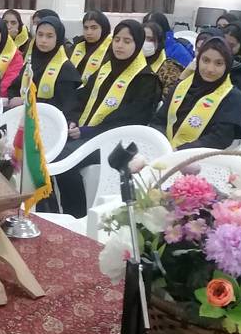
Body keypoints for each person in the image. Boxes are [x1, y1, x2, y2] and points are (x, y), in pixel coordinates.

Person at [47, 20, 161, 217]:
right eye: (117, 39)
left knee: (62, 157)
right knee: (45, 149)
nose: (120, 45)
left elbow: (129, 119)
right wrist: (72, 119)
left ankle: (76, 215)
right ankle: (51, 211)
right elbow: (80, 97)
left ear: (138, 44)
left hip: (117, 142)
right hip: (84, 134)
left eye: (127, 41)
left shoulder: (146, 79)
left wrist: (87, 131)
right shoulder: (106, 68)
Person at [157, 36, 241, 151]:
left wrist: (179, 150)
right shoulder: (183, 86)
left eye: (218, 63)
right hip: (165, 149)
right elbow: (159, 120)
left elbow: (219, 139)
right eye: (206, 60)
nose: (210, 69)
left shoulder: (232, 97)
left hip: (200, 156)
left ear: (227, 66)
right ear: (198, 60)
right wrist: (162, 144)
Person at [6, 16, 80, 118]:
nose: (43, 40)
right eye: (40, 35)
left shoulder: (65, 68)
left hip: (47, 119)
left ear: (58, 38)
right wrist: (13, 98)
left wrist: (26, 102)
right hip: (20, 116)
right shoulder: (30, 62)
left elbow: (63, 103)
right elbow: (14, 87)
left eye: (49, 36)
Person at [142, 21, 185, 95]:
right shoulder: (130, 62)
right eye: (142, 38)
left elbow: (170, 97)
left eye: (150, 39)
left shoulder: (170, 69)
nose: (144, 43)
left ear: (159, 43)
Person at [70, 11, 112, 85]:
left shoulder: (112, 49)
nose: (89, 32)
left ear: (103, 28)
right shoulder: (77, 45)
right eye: (86, 28)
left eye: (94, 28)